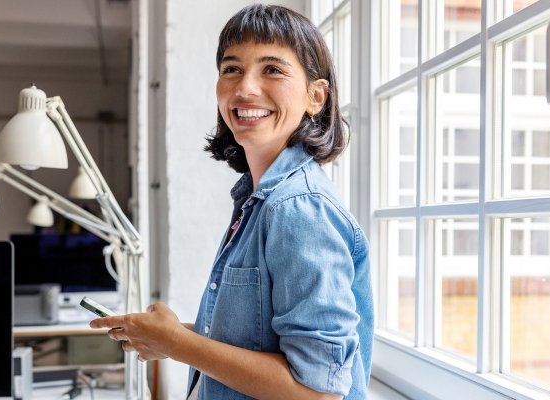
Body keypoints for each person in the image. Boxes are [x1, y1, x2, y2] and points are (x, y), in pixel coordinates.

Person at [90, 4, 374, 399]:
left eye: (272, 69)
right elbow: (260, 344)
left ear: (316, 96)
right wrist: (167, 336)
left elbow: (317, 393)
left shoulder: (298, 209)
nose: (245, 88)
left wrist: (177, 343)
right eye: (231, 69)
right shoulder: (259, 200)